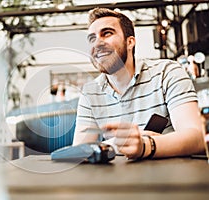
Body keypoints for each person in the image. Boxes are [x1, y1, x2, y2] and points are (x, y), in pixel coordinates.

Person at [72, 8, 205, 160]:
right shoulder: (90, 92)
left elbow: (197, 137)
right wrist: (115, 145)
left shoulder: (167, 72)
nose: (97, 43)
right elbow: (79, 152)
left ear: (130, 42)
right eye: (91, 39)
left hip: (171, 176)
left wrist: (145, 146)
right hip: (118, 179)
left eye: (107, 33)